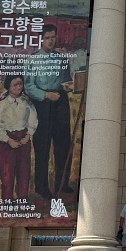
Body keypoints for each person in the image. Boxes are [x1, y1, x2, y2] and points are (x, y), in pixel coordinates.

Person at [24, 24, 74, 200]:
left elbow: (66, 79)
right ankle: (42, 187)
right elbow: (29, 85)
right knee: (42, 145)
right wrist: (45, 95)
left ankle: (62, 183)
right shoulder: (32, 60)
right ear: (41, 39)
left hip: (60, 101)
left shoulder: (61, 60)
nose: (51, 40)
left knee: (63, 144)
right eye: (47, 37)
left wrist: (68, 87)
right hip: (42, 103)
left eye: (53, 37)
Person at [0, 75, 38, 200]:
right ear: (9, 87)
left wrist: (28, 136)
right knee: (7, 172)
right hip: (6, 142)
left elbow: (33, 121)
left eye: (20, 84)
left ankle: (23, 197)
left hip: (23, 140)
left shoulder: (27, 103)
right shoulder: (1, 105)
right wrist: (8, 140)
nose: (18, 87)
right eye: (15, 85)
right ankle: (7, 200)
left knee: (24, 171)